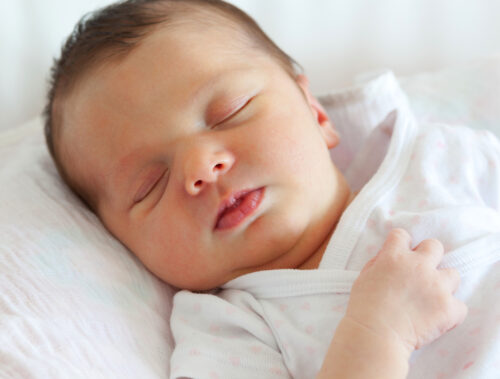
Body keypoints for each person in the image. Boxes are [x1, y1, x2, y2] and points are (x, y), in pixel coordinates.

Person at [43, 1, 500, 378]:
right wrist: (378, 333)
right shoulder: (231, 332)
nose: (202, 167)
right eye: (150, 186)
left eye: (229, 112)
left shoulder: (439, 160)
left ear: (316, 113)